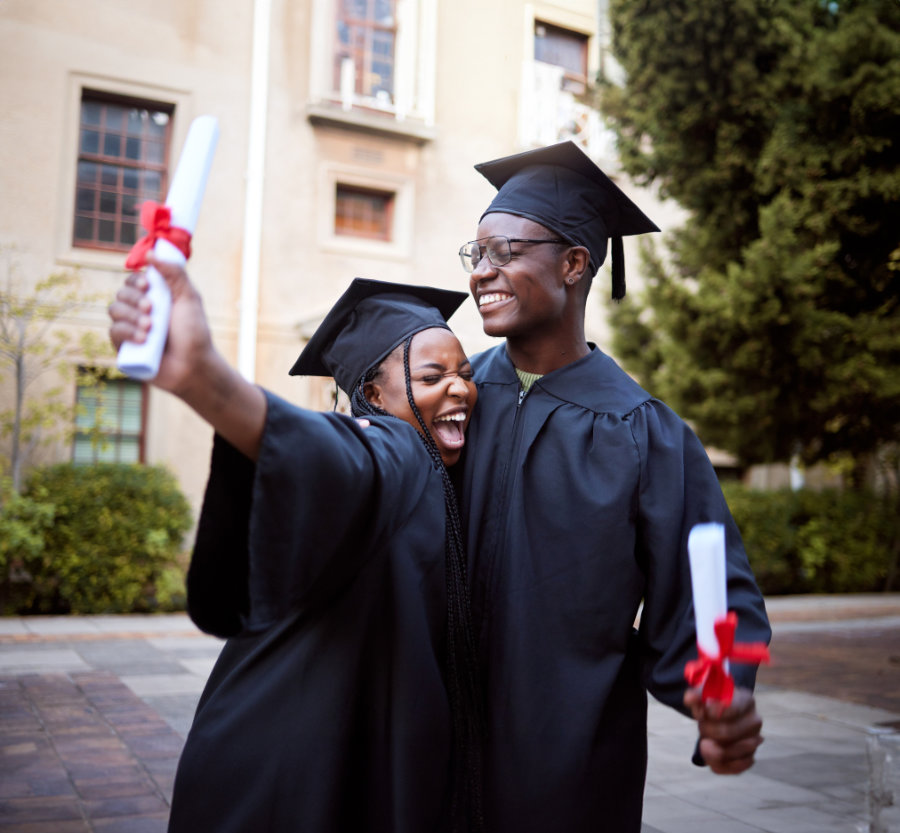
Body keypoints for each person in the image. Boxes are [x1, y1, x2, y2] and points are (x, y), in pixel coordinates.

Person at [453, 140, 772, 833]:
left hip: (568, 759)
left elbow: (710, 593)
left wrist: (722, 693)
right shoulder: (456, 398)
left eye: (506, 251)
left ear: (574, 264)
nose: (484, 272)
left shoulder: (645, 433)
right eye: (475, 254)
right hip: (434, 746)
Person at [108, 264, 485, 832]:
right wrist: (204, 378)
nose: (459, 387)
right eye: (433, 376)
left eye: (465, 372)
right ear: (374, 396)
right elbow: (336, 452)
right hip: (282, 776)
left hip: (302, 754)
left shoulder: (436, 469)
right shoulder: (395, 449)